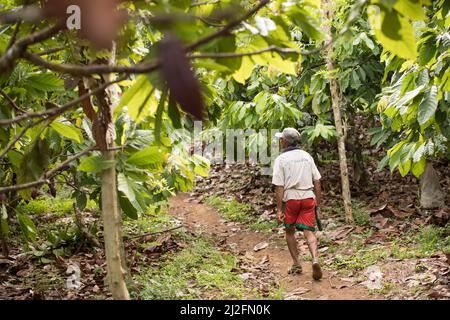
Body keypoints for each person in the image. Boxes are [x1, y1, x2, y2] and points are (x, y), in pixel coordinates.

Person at [272, 128, 323, 280]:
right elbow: (317, 181)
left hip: (291, 199)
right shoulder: (307, 156)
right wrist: (317, 204)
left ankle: (296, 264)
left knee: (289, 231)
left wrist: (279, 209)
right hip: (308, 197)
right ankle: (315, 259)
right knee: (310, 232)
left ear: (284, 141)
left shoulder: (281, 160)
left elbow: (279, 186)